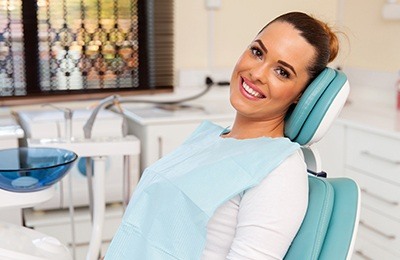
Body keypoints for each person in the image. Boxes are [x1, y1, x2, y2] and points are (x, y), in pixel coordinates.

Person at [105, 11, 340, 260]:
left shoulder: (279, 170)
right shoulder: (208, 139)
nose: (257, 73)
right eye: (257, 52)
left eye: (282, 72)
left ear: (300, 96)